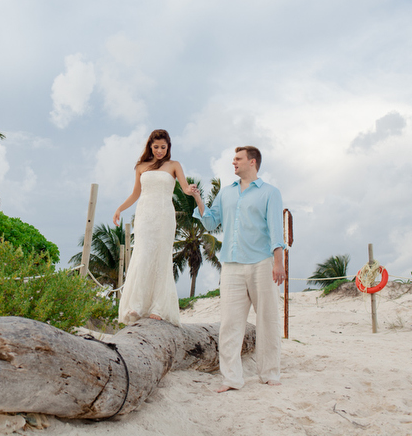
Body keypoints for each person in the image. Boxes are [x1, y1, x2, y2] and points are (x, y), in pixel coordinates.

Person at [190, 146, 285, 392]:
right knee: (230, 324)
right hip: (231, 266)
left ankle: (270, 373)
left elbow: (276, 230)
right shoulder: (226, 193)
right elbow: (211, 222)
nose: (234, 162)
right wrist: (199, 200)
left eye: (238, 159)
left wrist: (278, 262)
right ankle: (231, 378)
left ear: (252, 162)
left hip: (262, 263)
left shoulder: (270, 193)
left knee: (267, 320)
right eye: (233, 159)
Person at [112, 129, 194, 326]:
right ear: (150, 146)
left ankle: (158, 307)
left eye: (163, 147)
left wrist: (191, 190)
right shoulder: (141, 166)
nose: (159, 151)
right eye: (156, 147)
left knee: (161, 257)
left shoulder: (174, 165)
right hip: (145, 215)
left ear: (168, 147)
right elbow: (135, 194)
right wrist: (120, 209)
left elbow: (184, 188)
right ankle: (137, 305)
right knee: (143, 255)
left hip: (165, 215)